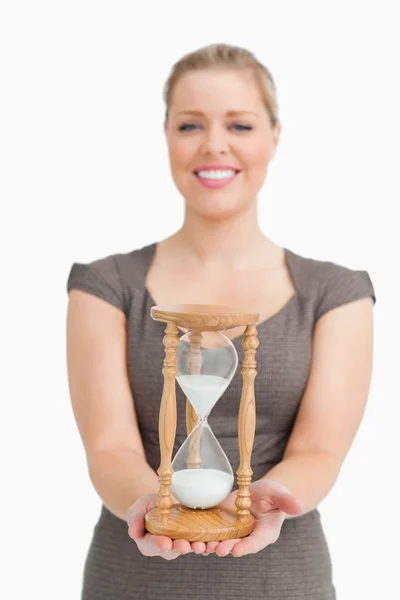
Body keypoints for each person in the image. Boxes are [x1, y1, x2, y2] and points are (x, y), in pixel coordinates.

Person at [66, 43, 376, 600]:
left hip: (281, 581)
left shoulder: (336, 291)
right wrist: (149, 505)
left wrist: (272, 495)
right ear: (165, 136)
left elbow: (319, 450)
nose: (214, 145)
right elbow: (109, 446)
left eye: (240, 124)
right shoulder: (107, 284)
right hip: (132, 580)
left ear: (275, 136)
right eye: (190, 125)